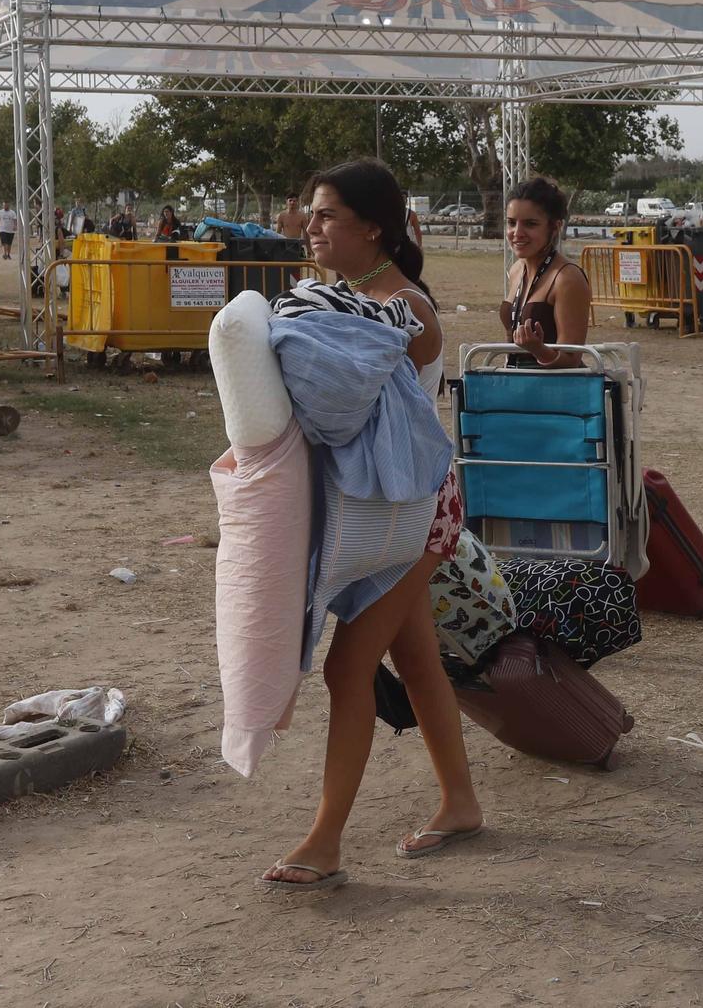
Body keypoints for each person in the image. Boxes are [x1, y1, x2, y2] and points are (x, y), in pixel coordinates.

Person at [260, 158, 482, 891]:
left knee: (347, 666)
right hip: (397, 506)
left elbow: (331, 397)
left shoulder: (404, 310)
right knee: (415, 662)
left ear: (372, 229)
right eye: (311, 212)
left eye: (325, 215)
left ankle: (324, 841)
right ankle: (461, 803)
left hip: (414, 513)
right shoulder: (355, 297)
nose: (309, 226)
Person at [500, 176, 591, 368]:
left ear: (555, 227)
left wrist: (538, 349)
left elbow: (571, 360)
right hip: (518, 386)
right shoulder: (516, 270)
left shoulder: (567, 278)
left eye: (530, 224)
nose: (517, 232)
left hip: (556, 393)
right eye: (511, 222)